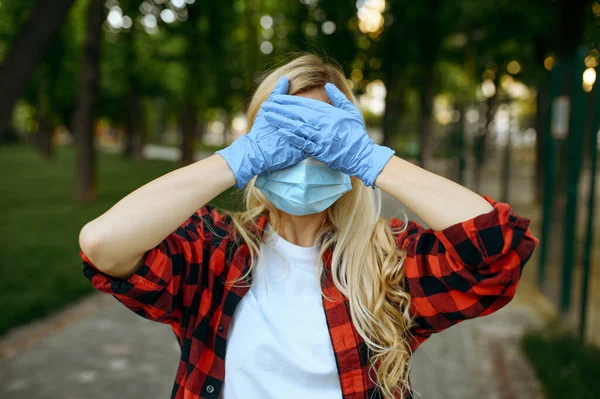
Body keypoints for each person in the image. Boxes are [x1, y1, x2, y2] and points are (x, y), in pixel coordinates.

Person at [78, 54, 539, 399]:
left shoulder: (389, 259)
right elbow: (104, 244)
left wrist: (371, 160)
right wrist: (238, 160)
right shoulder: (216, 250)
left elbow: (498, 253)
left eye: (321, 137)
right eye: (284, 137)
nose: (303, 153)